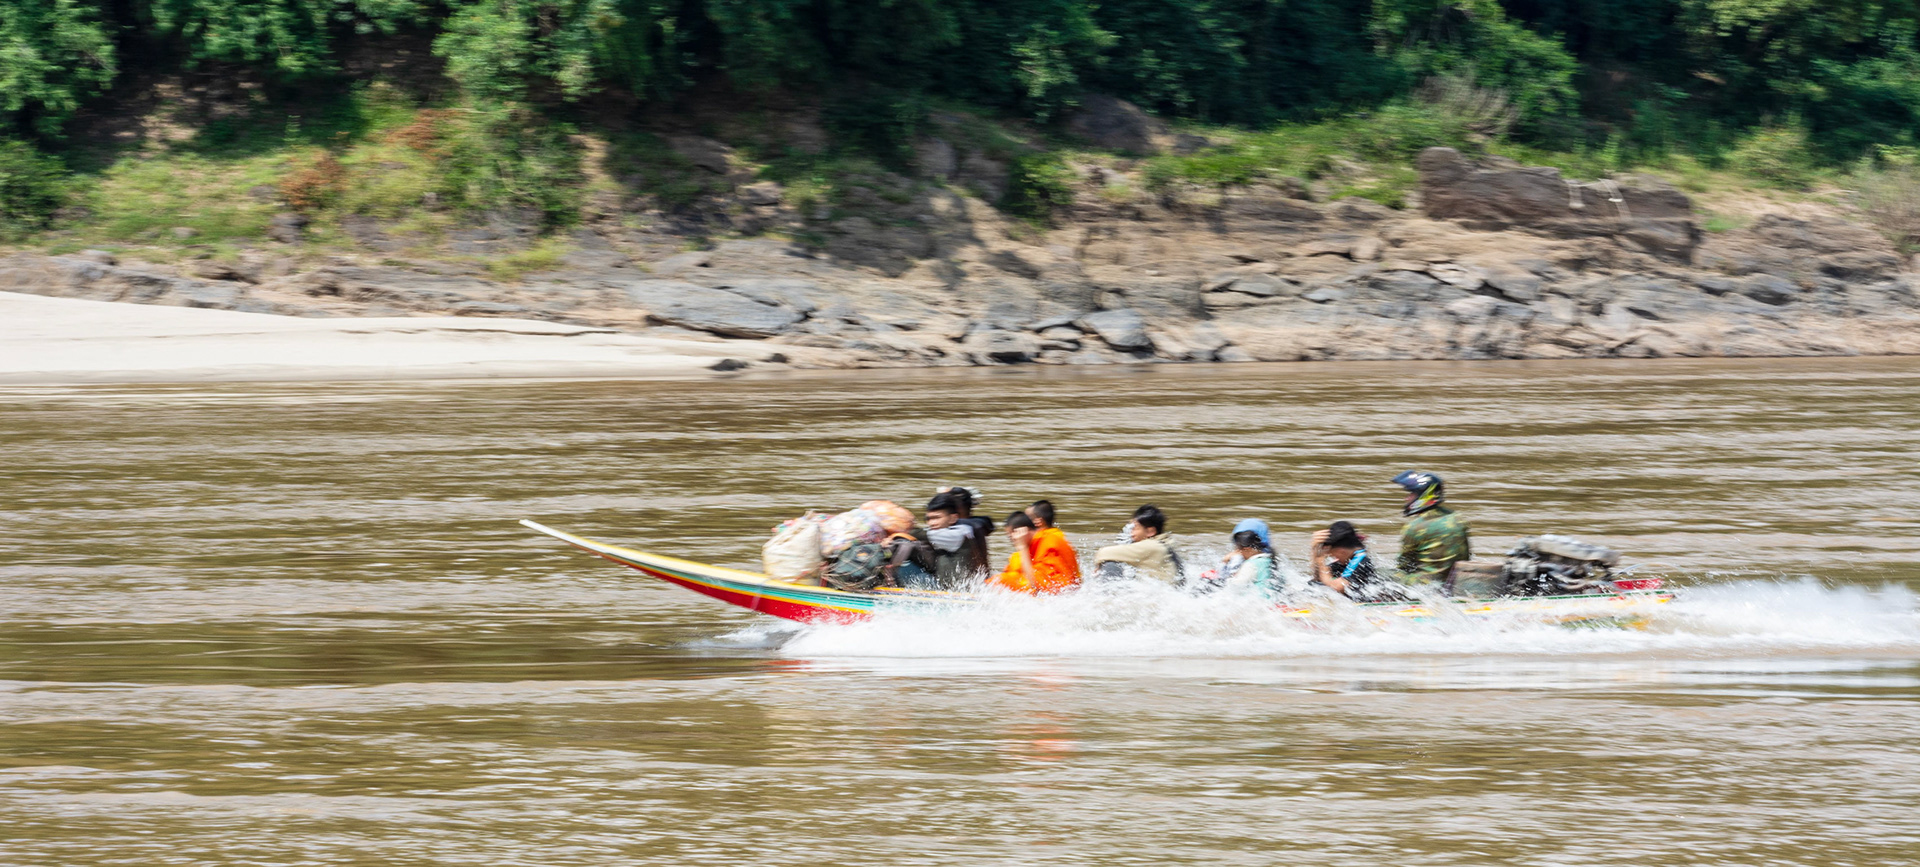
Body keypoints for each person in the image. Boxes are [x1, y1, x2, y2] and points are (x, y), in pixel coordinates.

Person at [1391, 470, 1471, 587]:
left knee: (1380, 573)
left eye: (1411, 494)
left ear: (1423, 496)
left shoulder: (1415, 526)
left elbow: (1404, 565)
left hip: (1426, 584)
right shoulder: (1457, 518)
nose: (1406, 499)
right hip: (1455, 580)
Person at [995, 503, 1082, 594]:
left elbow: (1037, 587)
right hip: (1053, 593)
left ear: (1022, 531)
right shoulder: (1037, 543)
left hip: (1058, 595)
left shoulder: (1050, 543)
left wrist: (1023, 547)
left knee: (1002, 581)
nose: (1012, 540)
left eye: (1011, 536)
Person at [1093, 504, 1183, 585]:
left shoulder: (1151, 546)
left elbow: (1104, 552)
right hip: (1166, 594)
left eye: (1135, 528)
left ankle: (1107, 598)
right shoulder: (1164, 544)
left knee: (1110, 563)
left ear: (1150, 531)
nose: (1131, 533)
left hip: (1159, 599)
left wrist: (1100, 564)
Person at [1309, 520, 1386, 599]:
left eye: (1332, 553)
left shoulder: (1360, 560)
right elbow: (1318, 578)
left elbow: (1339, 587)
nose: (1331, 556)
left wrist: (1320, 562)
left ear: (1341, 551)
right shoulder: (1345, 561)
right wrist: (1315, 552)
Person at [925, 492, 987, 588]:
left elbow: (918, 534)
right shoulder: (965, 528)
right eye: (928, 519)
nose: (931, 523)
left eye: (936, 518)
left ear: (953, 518)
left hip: (961, 593)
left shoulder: (957, 534)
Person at [1221, 529, 1279, 598]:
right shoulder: (1270, 560)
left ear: (1247, 549)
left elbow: (1234, 587)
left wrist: (1224, 563)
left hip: (1259, 603)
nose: (1236, 552)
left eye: (1238, 549)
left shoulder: (1251, 564)